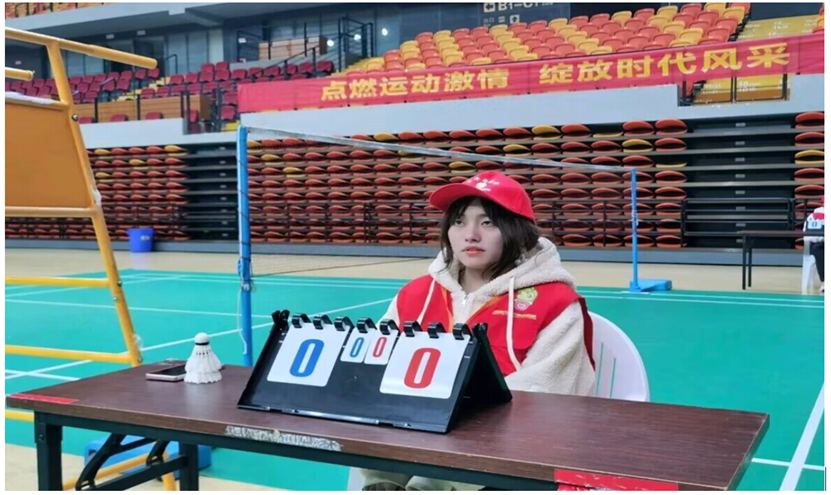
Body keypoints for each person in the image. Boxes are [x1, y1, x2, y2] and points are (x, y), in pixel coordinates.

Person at [360, 171, 596, 491]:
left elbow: (550, 397)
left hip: (509, 462)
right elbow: (373, 366)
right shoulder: (415, 295)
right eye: (459, 222)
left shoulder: (555, 303)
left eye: (488, 223)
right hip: (411, 442)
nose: (470, 235)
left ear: (518, 232)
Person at [804, 198, 824, 292]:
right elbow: (808, 234)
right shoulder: (814, 216)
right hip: (819, 244)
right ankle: (825, 282)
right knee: (818, 249)